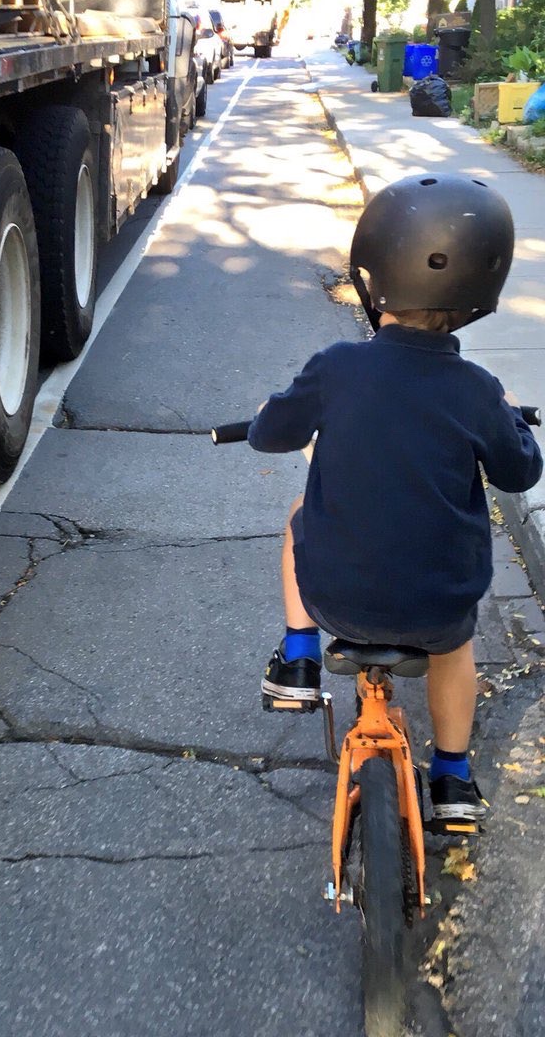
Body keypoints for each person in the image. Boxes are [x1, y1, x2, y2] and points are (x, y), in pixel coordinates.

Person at [248, 173, 543, 823]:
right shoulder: (476, 388)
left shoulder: (336, 367)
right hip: (438, 607)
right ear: (477, 297)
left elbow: (271, 435)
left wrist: (274, 409)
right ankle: (454, 779)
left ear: (373, 278)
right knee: (455, 650)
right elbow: (522, 472)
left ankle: (299, 657)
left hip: (339, 603)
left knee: (300, 517)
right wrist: (508, 417)